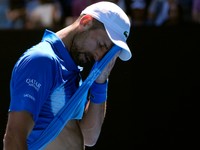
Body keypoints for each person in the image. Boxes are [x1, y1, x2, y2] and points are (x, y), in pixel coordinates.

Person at [3, 1, 132, 150]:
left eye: (106, 52)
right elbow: (14, 135)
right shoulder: (42, 60)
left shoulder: (73, 71)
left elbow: (89, 137)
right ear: (85, 22)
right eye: (101, 44)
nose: (99, 56)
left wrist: (100, 81)